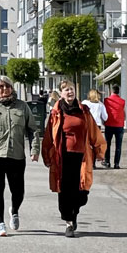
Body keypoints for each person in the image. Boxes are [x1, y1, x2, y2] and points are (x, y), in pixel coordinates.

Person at [0, 75, 40, 237]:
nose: (4, 89)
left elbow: (32, 130)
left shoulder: (22, 107)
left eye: (7, 86)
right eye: (1, 87)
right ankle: (0, 223)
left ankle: (15, 210)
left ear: (12, 88)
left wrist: (34, 149)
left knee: (18, 191)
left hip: (16, 155)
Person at [42, 81, 106, 237]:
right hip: (62, 157)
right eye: (65, 90)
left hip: (82, 156)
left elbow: (94, 132)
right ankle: (69, 222)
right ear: (61, 94)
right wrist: (46, 155)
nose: (69, 92)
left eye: (71, 89)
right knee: (64, 189)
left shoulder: (84, 111)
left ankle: (74, 211)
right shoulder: (56, 113)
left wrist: (99, 151)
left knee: (81, 192)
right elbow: (49, 136)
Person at [102, 86, 127, 169]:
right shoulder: (122, 101)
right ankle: (116, 164)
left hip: (109, 124)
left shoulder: (106, 100)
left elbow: (104, 111)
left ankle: (107, 162)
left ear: (111, 91)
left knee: (107, 144)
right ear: (118, 91)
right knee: (118, 146)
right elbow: (124, 113)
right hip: (119, 125)